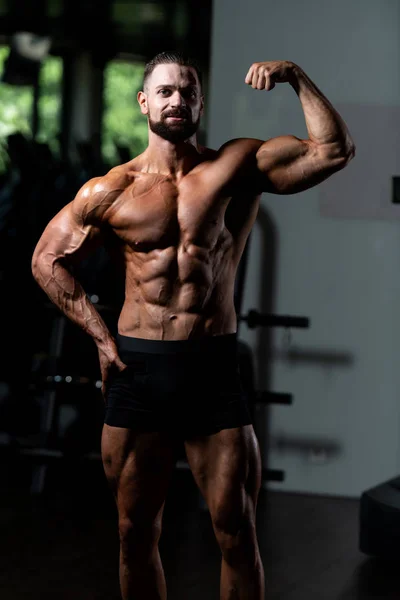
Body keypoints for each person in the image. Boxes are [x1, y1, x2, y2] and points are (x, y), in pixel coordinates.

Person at [31, 51, 355, 600]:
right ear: (144, 102)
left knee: (236, 531)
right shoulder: (110, 190)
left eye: (187, 91)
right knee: (135, 533)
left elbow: (333, 150)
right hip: (137, 367)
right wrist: (102, 339)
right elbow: (45, 259)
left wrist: (296, 77)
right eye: (165, 92)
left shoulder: (236, 167)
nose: (177, 100)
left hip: (210, 365)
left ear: (201, 101)